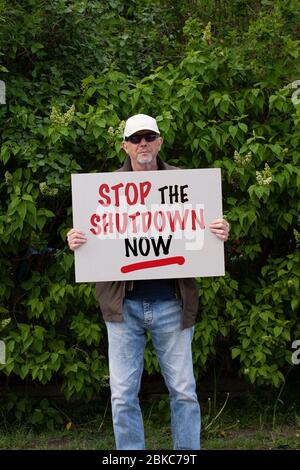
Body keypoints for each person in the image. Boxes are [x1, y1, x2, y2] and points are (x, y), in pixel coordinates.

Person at [67, 114, 229, 450]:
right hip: (123, 308)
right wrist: (76, 240)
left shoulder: (186, 185)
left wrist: (219, 232)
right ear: (124, 145)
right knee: (123, 395)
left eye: (149, 137)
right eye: (136, 138)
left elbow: (200, 232)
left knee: (184, 391)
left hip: (173, 303)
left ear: (160, 142)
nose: (143, 144)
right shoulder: (102, 191)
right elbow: (96, 239)